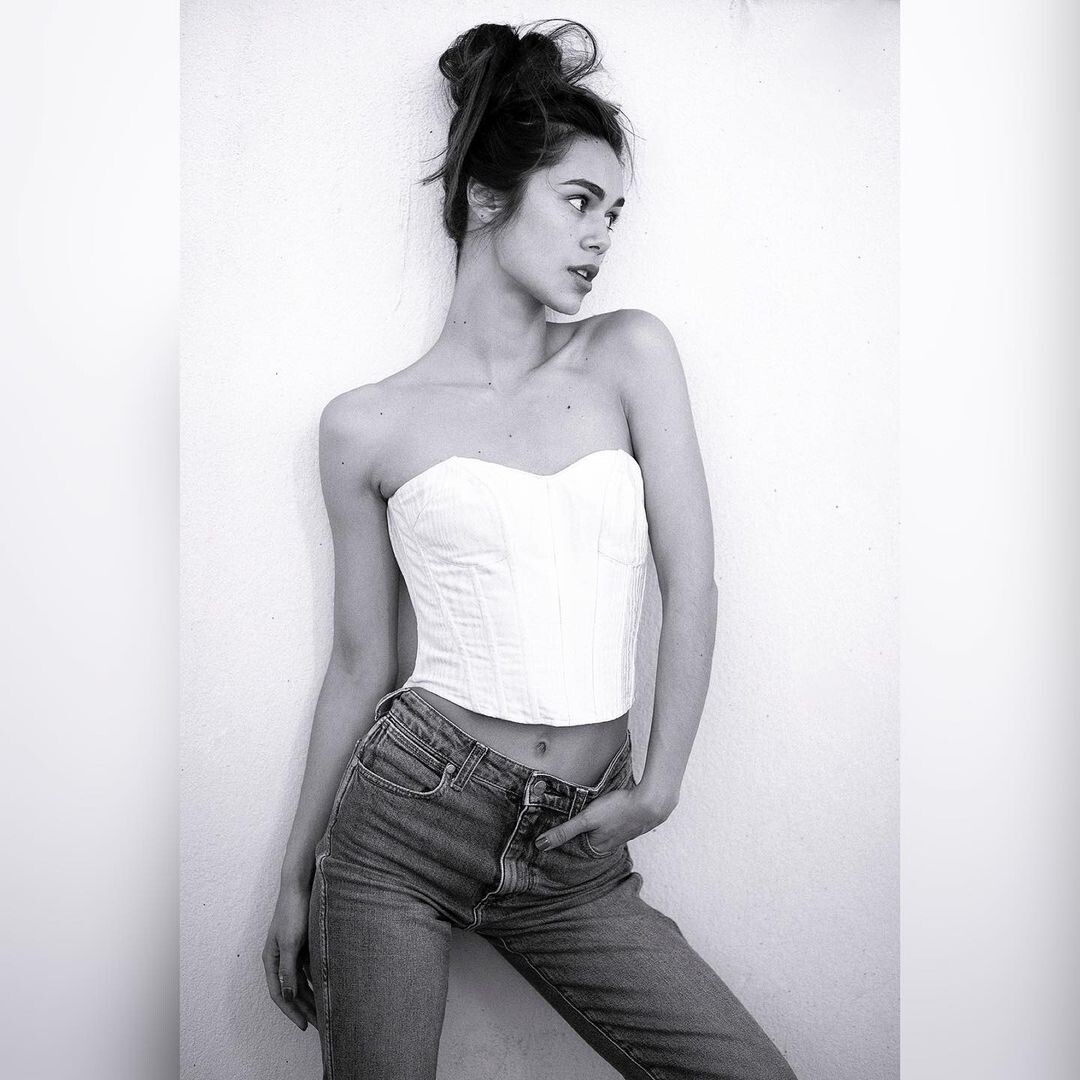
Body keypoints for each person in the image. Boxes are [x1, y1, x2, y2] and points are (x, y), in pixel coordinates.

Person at [263, 19, 798, 1080]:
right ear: (484, 198)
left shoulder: (630, 354)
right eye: (579, 201)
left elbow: (693, 581)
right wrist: (292, 876)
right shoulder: (364, 426)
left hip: (575, 847)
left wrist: (662, 784)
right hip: (403, 825)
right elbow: (362, 664)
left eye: (614, 213)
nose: (601, 237)